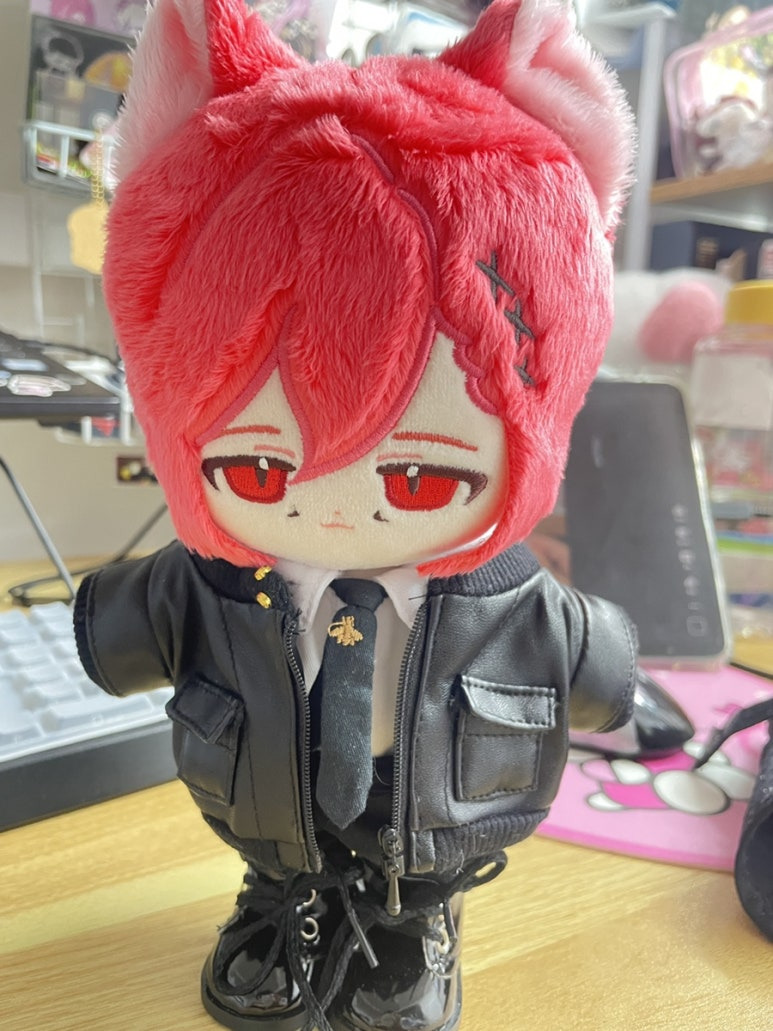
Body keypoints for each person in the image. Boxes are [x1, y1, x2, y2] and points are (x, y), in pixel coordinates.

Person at [73, 1, 638, 1028]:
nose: (335, 510)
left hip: (434, 818)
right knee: (278, 837)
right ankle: (278, 895)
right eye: (257, 468)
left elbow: (594, 668)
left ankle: (411, 915)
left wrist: (613, 678)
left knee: (415, 869)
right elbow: (122, 630)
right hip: (267, 801)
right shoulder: (212, 581)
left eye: (420, 478)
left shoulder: (510, 600)